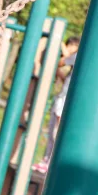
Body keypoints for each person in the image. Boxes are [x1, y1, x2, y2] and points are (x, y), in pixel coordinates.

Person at [33, 36, 80, 173]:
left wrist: (61, 45)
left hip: (65, 99)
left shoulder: (77, 56)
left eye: (71, 46)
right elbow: (60, 69)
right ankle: (46, 160)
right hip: (62, 97)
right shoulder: (74, 59)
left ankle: (50, 162)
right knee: (52, 130)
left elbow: (61, 62)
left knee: (56, 132)